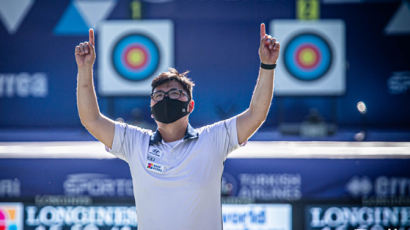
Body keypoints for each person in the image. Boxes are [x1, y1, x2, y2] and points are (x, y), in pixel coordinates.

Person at [75, 23, 280, 230]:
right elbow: (91, 119)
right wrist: (85, 69)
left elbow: (256, 114)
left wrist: (268, 66)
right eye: (159, 95)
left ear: (190, 105)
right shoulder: (135, 142)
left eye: (174, 93)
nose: (166, 99)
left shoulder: (212, 139)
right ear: (151, 106)